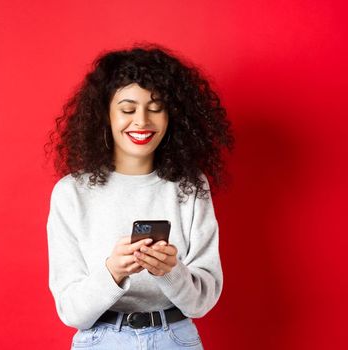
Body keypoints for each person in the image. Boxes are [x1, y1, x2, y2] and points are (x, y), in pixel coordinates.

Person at [43, 43, 234, 349]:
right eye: (128, 109)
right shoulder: (71, 193)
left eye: (156, 108)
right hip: (100, 340)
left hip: (176, 339)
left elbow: (200, 304)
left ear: (172, 116)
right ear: (105, 115)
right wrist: (113, 272)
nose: (142, 121)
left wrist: (171, 271)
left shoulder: (189, 186)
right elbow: (71, 311)